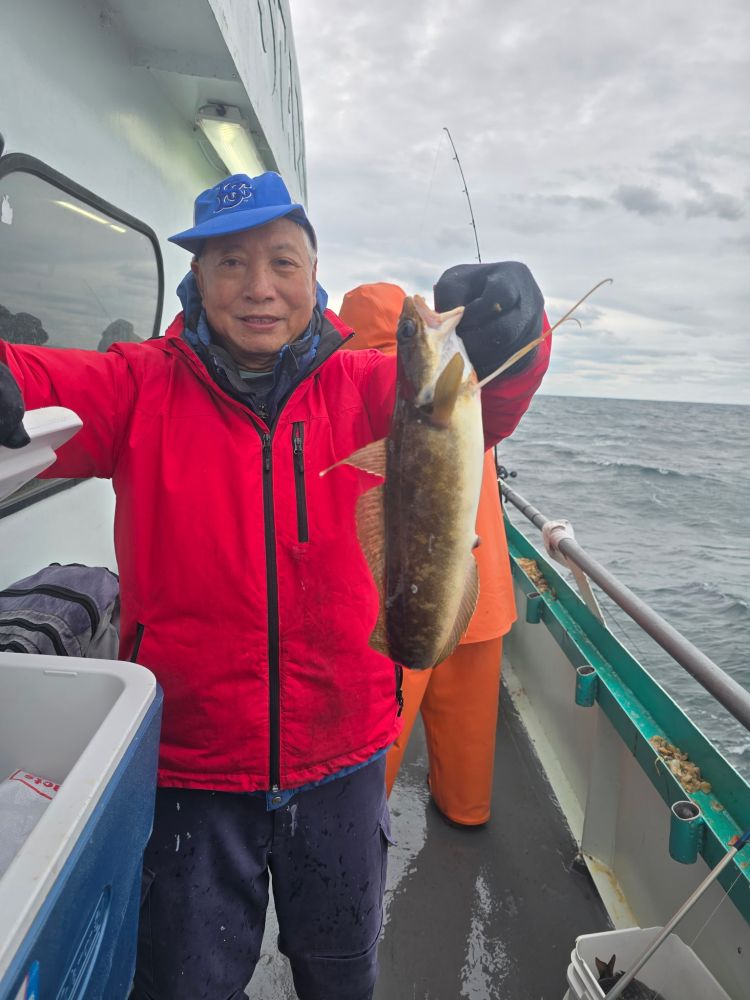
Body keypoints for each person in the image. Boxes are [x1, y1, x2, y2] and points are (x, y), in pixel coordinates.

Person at [0, 171, 550, 1000]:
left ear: (314, 273)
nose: (259, 288)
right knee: (186, 981)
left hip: (343, 751)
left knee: (341, 970)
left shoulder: (368, 383)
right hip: (192, 765)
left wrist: (523, 332)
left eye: (283, 262)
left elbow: (485, 403)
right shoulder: (138, 384)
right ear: (198, 280)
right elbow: (35, 385)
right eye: (230, 264)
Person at [339, 282, 530, 827]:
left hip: (399, 595)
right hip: (479, 587)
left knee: (380, 745)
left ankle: (364, 828)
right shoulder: (457, 391)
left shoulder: (365, 390)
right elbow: (511, 388)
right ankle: (465, 812)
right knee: (470, 748)